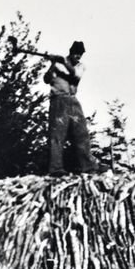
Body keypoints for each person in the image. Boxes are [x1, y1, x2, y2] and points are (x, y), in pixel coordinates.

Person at [44, 41, 101, 176]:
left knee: (82, 133)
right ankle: (55, 168)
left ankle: (87, 166)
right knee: (58, 134)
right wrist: (53, 64)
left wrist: (63, 63)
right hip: (58, 100)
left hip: (72, 100)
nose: (78, 56)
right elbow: (46, 80)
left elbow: (74, 76)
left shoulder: (80, 66)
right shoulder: (58, 64)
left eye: (80, 54)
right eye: (76, 53)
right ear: (71, 52)